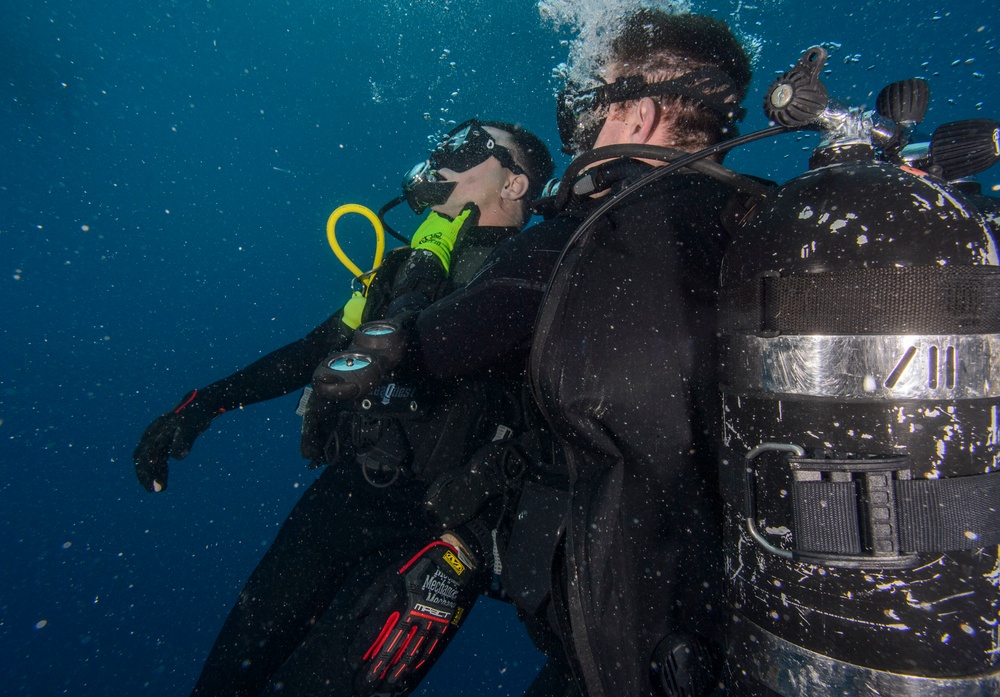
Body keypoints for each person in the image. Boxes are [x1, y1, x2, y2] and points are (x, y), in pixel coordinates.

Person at [132, 119, 553, 695]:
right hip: (345, 496)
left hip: (443, 528)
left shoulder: (542, 272)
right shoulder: (405, 270)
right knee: (229, 676)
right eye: (448, 143)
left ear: (515, 185)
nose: (447, 156)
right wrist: (203, 405)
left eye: (473, 148)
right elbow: (312, 350)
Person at [408, 10, 753, 696]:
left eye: (597, 105)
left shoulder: (593, 230)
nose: (585, 131)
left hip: (629, 656)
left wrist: (410, 295)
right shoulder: (752, 224)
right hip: (743, 642)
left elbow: (433, 345)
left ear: (638, 113)